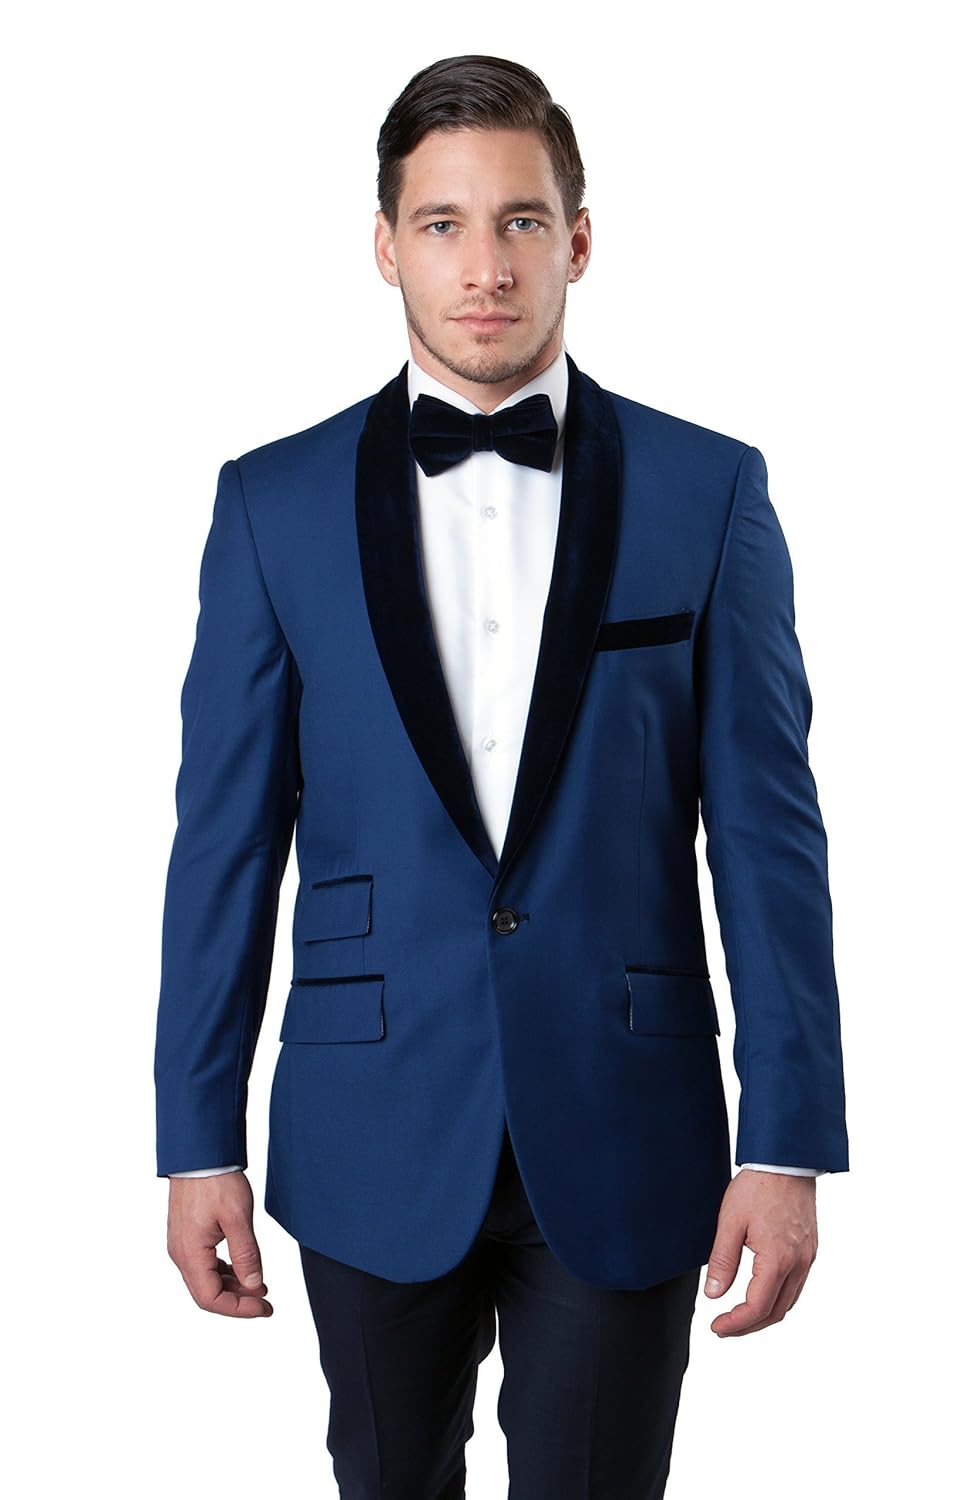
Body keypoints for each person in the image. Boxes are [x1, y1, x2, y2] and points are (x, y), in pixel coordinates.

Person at [154, 53, 849, 1499]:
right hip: (368, 1115)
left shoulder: (708, 490)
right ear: (386, 245)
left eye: (522, 221)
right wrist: (194, 1135)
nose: (486, 268)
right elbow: (223, 843)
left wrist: (789, 1139)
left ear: (579, 240)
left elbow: (769, 839)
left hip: (628, 1117)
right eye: (445, 224)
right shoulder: (272, 504)